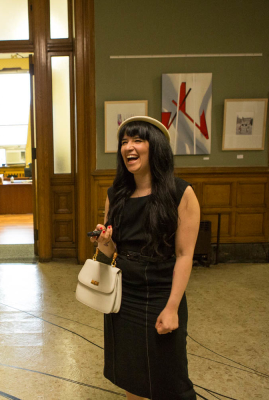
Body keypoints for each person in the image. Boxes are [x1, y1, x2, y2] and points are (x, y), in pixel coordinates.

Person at [90, 116, 200, 400]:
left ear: (156, 147)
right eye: (124, 142)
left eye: (138, 140)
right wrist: (104, 244)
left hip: (163, 293)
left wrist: (173, 307)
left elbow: (185, 255)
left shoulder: (181, 193)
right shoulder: (116, 195)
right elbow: (112, 253)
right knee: (133, 375)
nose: (129, 147)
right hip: (124, 298)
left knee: (170, 376)